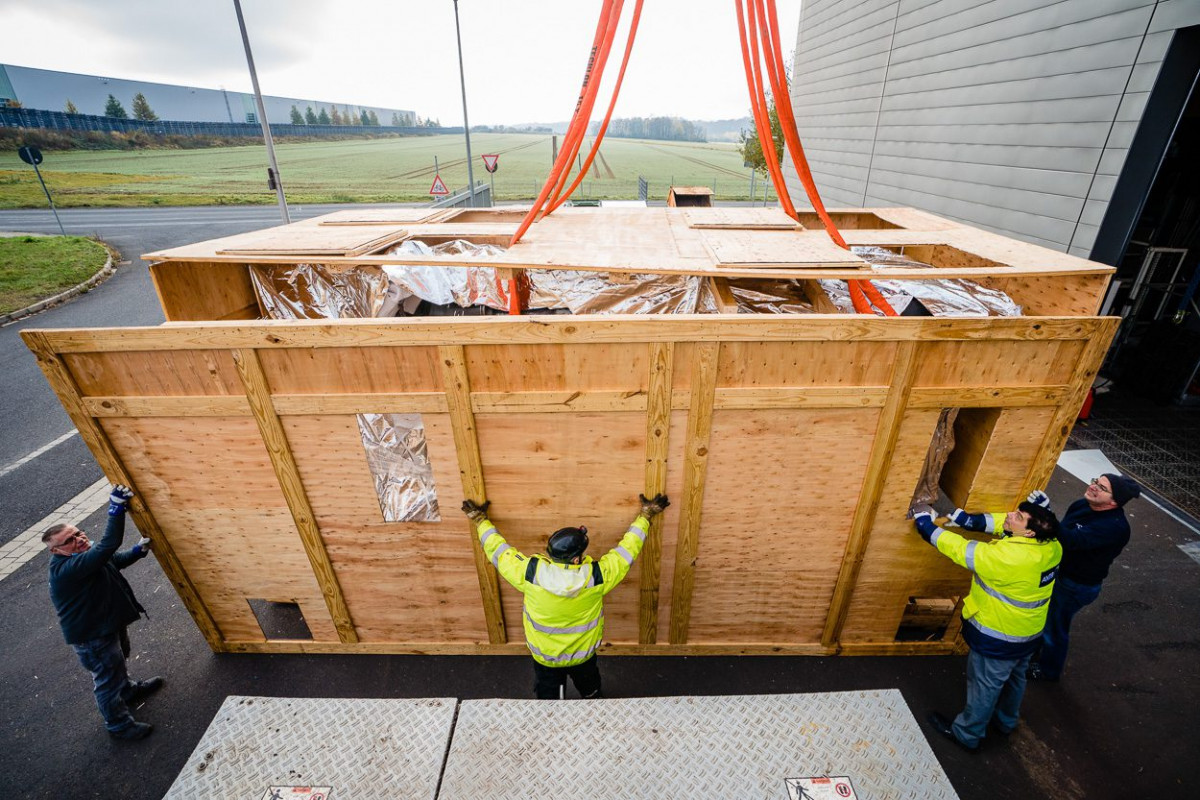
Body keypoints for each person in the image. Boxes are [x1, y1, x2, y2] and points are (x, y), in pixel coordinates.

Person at [462, 492, 669, 699]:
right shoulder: (597, 577)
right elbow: (627, 551)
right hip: (583, 657)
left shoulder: (530, 573)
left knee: (550, 699)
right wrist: (646, 515)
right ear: (577, 560)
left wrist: (480, 521)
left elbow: (498, 550)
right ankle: (593, 698)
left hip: (546, 659)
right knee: (590, 689)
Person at [911, 499, 1062, 753]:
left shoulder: (1008, 558)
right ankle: (1006, 721)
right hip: (1028, 633)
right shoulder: (1052, 546)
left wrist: (925, 525)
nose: (1010, 516)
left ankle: (967, 734)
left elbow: (959, 548)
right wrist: (971, 520)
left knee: (984, 686)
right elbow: (1004, 525)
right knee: (1015, 679)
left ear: (1029, 532)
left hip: (998, 636)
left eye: (1019, 516)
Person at [43, 484, 163, 741]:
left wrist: (136, 552)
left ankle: (128, 691)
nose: (80, 538)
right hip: (92, 635)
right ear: (56, 550)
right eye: (70, 540)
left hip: (106, 623)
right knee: (107, 678)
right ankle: (118, 725)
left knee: (119, 660)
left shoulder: (83, 556)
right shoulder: (68, 568)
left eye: (78, 532)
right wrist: (115, 508)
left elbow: (111, 560)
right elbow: (107, 547)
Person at [1026, 473, 1141, 682]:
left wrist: (1046, 514)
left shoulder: (1114, 527)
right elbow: (1062, 532)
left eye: (1103, 488)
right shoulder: (1082, 504)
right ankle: (1033, 652)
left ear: (1114, 502)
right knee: (1045, 617)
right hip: (1061, 572)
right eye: (1096, 481)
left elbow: (1072, 540)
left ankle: (1048, 671)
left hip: (1075, 585)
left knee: (1055, 626)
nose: (1094, 487)